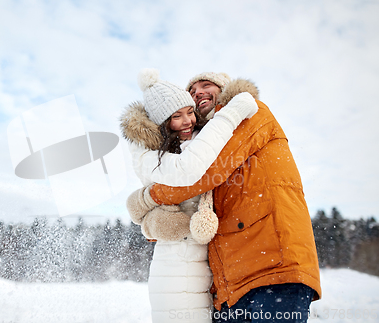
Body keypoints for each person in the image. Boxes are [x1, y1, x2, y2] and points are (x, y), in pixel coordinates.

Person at [128, 71, 322, 323]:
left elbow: (205, 173)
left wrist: (147, 199)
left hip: (274, 267)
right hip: (231, 283)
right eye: (192, 91)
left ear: (224, 87)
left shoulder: (249, 112)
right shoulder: (204, 140)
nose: (198, 92)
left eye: (205, 85)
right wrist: (158, 222)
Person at [121, 68, 258, 322]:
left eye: (190, 112)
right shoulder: (146, 155)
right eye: (177, 116)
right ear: (163, 123)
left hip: (205, 264)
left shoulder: (188, 141)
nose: (188, 121)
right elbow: (189, 171)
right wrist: (230, 115)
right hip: (174, 264)